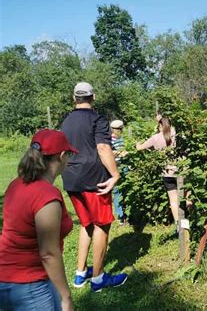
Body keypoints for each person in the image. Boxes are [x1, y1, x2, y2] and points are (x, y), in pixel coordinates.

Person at [61, 82, 127, 292]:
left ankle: (80, 274)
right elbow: (103, 147)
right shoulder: (97, 119)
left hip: (71, 178)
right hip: (94, 180)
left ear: (74, 98)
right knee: (102, 225)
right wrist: (115, 174)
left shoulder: (66, 120)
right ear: (94, 97)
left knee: (86, 223)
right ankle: (98, 279)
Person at [0, 129, 77, 310]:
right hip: (30, 285)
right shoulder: (47, 196)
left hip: (5, 277)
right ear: (62, 155)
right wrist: (66, 297)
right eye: (69, 154)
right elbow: (48, 253)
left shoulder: (16, 185)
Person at [136, 114, 180, 228]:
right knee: (188, 197)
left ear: (159, 126)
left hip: (166, 173)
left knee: (173, 200)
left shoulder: (155, 138)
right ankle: (191, 221)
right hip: (181, 170)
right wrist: (161, 121)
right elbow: (170, 128)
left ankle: (178, 226)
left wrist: (137, 144)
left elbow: (139, 148)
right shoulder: (176, 134)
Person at [110, 119, 128, 225]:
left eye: (119, 129)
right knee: (117, 191)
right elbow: (108, 153)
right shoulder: (109, 140)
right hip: (115, 167)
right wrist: (117, 153)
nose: (117, 131)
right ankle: (120, 216)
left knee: (125, 189)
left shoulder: (123, 139)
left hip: (124, 166)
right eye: (116, 129)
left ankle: (126, 214)